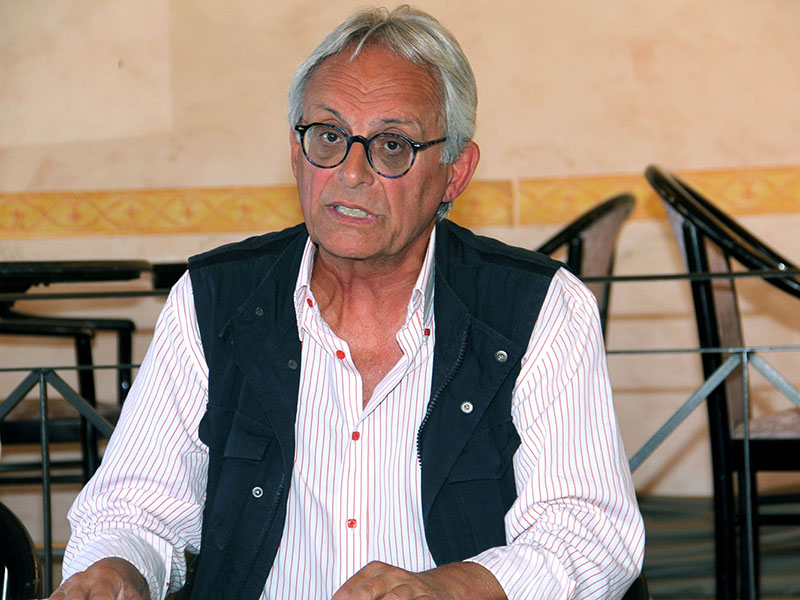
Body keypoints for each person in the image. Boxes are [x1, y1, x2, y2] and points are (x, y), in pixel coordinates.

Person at [51, 6, 644, 600]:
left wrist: (451, 589)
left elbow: (590, 533)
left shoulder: (538, 310)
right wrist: (116, 570)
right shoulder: (214, 303)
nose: (352, 173)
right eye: (329, 137)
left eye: (392, 146)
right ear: (296, 152)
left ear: (455, 173)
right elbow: (135, 508)